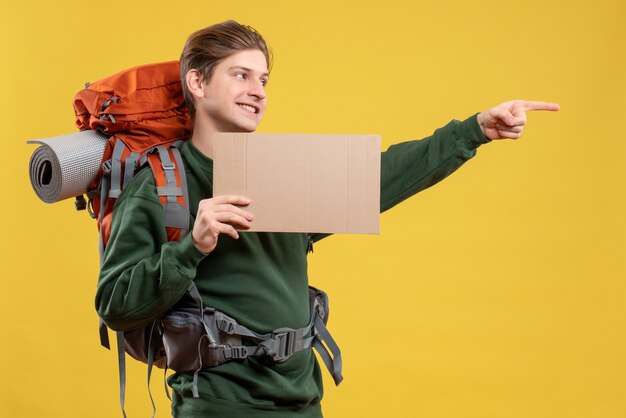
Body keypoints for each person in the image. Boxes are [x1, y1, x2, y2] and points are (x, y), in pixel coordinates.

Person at [95, 20, 559, 417]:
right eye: (241, 75)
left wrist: (475, 130)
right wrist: (190, 246)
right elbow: (115, 305)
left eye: (264, 80)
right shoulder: (161, 184)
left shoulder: (282, 171)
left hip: (302, 398)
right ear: (197, 83)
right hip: (218, 404)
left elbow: (388, 174)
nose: (258, 91)